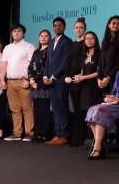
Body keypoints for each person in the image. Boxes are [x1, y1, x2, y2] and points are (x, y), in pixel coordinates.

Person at [0, 23, 36, 142]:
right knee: (14, 109)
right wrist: (2, 80)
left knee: (27, 108)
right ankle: (16, 133)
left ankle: (29, 133)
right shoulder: (7, 47)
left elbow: (32, 65)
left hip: (23, 80)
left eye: (19, 31)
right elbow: (4, 65)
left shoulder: (29, 46)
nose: (16, 33)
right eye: (14, 31)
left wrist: (27, 79)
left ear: (23, 33)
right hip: (10, 81)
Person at [66, 31, 101, 147]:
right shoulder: (83, 56)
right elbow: (81, 71)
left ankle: (97, 140)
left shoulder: (99, 54)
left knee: (94, 113)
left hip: (94, 87)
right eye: (87, 39)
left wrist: (84, 77)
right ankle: (87, 139)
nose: (89, 40)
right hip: (84, 87)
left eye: (92, 38)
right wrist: (78, 78)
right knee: (85, 113)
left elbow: (99, 72)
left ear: (95, 40)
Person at [43, 17, 72, 146]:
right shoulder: (50, 42)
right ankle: (57, 134)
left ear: (64, 27)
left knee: (63, 108)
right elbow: (47, 62)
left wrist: (53, 76)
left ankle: (64, 135)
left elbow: (66, 62)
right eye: (55, 25)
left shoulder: (67, 41)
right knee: (55, 109)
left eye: (60, 25)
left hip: (60, 81)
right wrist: (45, 77)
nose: (57, 27)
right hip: (51, 82)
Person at [64, 17, 86, 146]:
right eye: (77, 27)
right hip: (70, 80)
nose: (78, 29)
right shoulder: (73, 43)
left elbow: (83, 61)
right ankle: (77, 137)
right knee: (76, 110)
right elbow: (68, 60)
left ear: (85, 29)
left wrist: (80, 76)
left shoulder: (85, 42)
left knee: (80, 110)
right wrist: (67, 76)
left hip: (80, 79)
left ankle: (82, 138)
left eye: (81, 28)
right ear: (74, 29)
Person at [28, 29, 51, 142]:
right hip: (34, 83)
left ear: (49, 38)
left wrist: (35, 79)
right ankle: (37, 133)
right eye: (41, 36)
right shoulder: (36, 51)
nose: (43, 38)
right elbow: (30, 67)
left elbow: (44, 68)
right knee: (36, 110)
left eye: (46, 36)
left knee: (44, 110)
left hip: (43, 82)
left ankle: (45, 133)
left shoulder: (49, 51)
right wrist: (31, 79)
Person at [97, 15, 119, 93]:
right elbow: (101, 60)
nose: (116, 25)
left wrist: (108, 77)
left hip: (115, 77)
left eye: (118, 24)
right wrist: (99, 78)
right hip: (103, 79)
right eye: (113, 23)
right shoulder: (104, 41)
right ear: (108, 25)